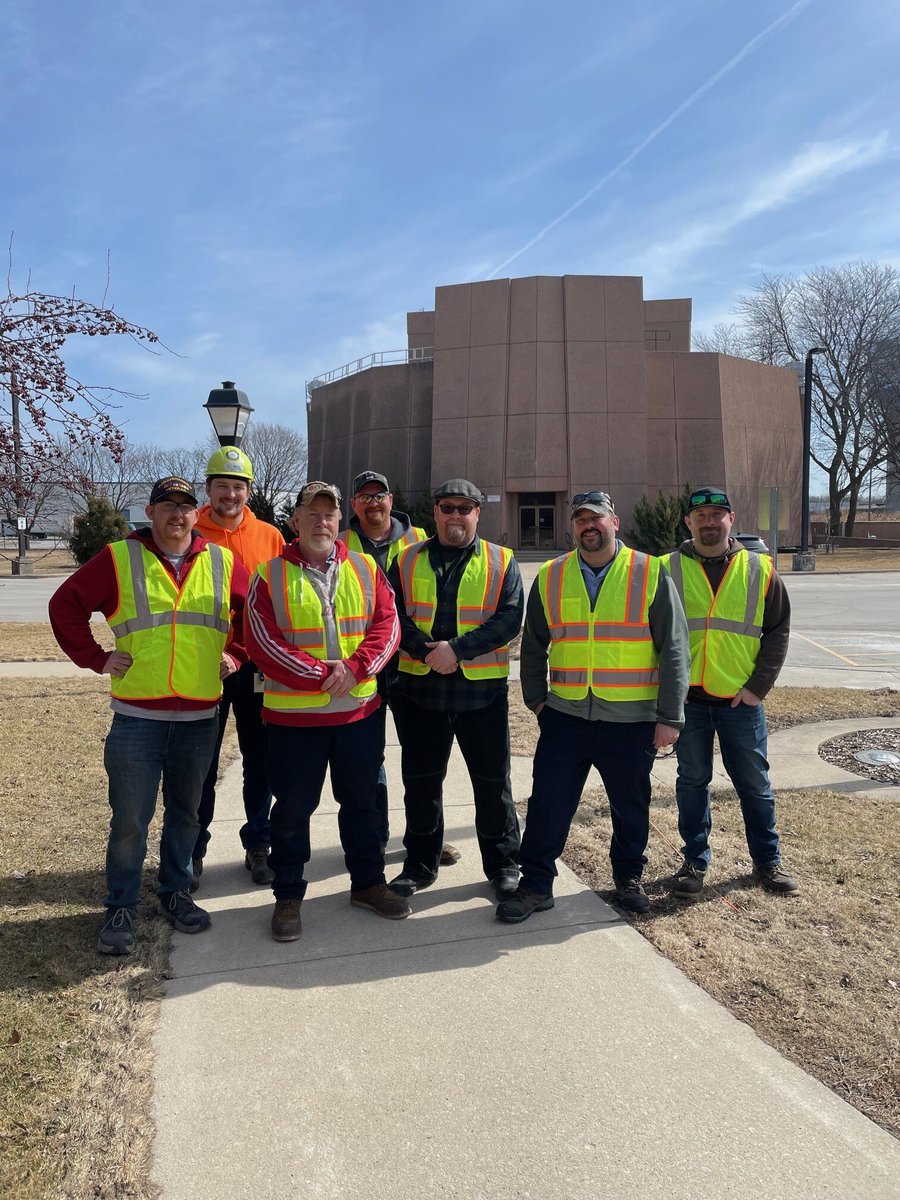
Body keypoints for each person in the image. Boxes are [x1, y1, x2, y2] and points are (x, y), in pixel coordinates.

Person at [49, 476, 249, 955]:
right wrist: (96, 659)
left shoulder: (223, 561)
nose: (177, 515)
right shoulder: (119, 558)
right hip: (138, 717)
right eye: (166, 506)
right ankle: (120, 906)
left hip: (200, 716)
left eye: (185, 507)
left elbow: (254, 614)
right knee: (130, 819)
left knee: (186, 815)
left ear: (197, 513)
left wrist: (237, 655)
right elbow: (65, 605)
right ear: (150, 511)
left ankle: (175, 893)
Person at [498, 490, 690, 922]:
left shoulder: (649, 571)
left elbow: (674, 650)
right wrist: (537, 701)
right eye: (580, 519)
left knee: (630, 806)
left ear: (614, 522)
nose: (589, 526)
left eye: (597, 518)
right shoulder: (551, 575)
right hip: (565, 718)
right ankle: (535, 886)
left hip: (631, 719)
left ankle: (628, 879)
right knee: (549, 803)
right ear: (573, 527)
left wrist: (670, 718)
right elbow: (533, 645)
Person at [246, 480, 408, 942]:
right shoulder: (269, 575)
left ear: (341, 520)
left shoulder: (364, 567)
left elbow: (387, 624)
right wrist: (323, 675)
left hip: (358, 714)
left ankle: (368, 884)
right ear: (294, 522)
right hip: (294, 721)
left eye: (330, 514)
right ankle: (289, 894)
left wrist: (356, 670)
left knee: (362, 802)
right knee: (294, 808)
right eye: (311, 514)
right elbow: (262, 641)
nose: (322, 522)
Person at [387, 479, 523, 901]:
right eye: (448, 508)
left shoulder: (502, 560)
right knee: (422, 784)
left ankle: (503, 866)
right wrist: (429, 654)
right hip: (420, 693)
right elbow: (390, 613)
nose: (456, 516)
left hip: (482, 696)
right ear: (436, 513)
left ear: (478, 514)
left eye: (465, 508)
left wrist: (457, 651)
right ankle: (420, 865)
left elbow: (509, 619)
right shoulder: (406, 559)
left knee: (493, 784)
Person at [662, 487, 799, 897]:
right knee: (692, 783)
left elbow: (778, 631)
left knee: (754, 784)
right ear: (688, 521)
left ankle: (767, 863)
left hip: (741, 701)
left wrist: (758, 688)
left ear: (731, 519)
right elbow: (652, 635)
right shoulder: (664, 568)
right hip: (688, 703)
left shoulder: (759, 568)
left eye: (717, 514)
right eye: (700, 514)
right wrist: (667, 694)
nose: (709, 521)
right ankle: (694, 862)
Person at [340, 469, 460, 866]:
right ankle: (374, 837)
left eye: (381, 495)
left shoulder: (422, 540)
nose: (373, 503)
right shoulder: (340, 544)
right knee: (369, 759)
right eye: (365, 496)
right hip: (365, 667)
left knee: (423, 759)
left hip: (412, 666)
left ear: (392, 500)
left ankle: (428, 836)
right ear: (353, 504)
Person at [191, 445, 284, 891]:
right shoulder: (191, 530)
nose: (230, 494)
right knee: (201, 763)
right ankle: (193, 849)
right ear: (207, 488)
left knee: (260, 760)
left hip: (256, 664)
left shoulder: (270, 535)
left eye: (238, 486)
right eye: (222, 485)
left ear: (249, 491)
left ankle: (259, 844)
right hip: (204, 664)